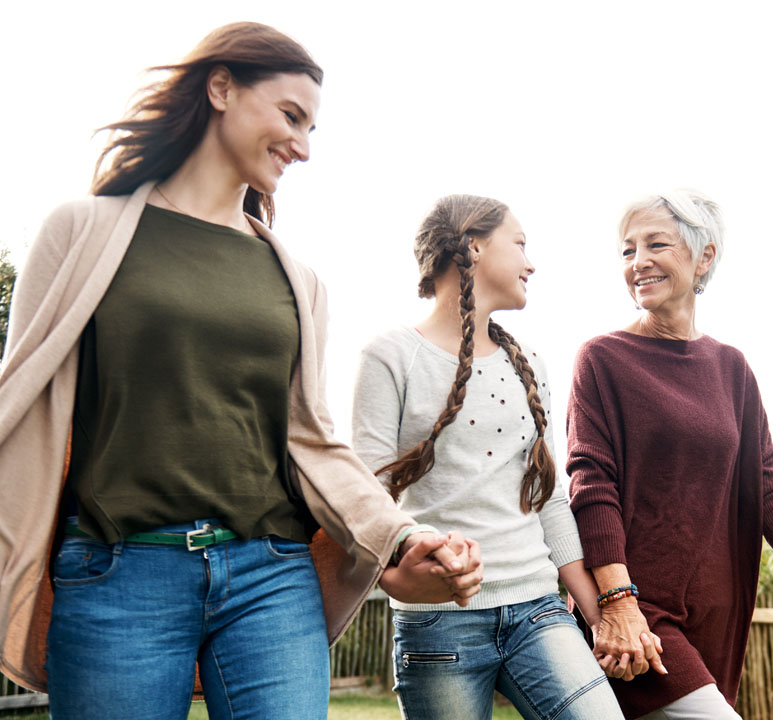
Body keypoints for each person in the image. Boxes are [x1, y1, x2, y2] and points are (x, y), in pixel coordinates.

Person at [0, 23, 481, 719]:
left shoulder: (296, 277)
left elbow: (313, 441)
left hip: (271, 578)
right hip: (118, 576)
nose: (304, 147)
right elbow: (21, 402)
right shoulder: (83, 232)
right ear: (220, 87)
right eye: (291, 116)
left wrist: (402, 535)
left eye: (313, 128)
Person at [567, 189, 773, 719]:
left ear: (705, 257)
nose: (639, 262)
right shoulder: (604, 360)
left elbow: (767, 481)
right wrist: (617, 603)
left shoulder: (732, 368)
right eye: (627, 250)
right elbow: (592, 486)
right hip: (640, 615)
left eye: (656, 244)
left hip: (717, 615)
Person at [351, 194, 624, 720]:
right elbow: (367, 500)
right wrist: (394, 574)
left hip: (538, 610)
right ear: (473, 246)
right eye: (519, 243)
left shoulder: (532, 365)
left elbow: (548, 503)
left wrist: (598, 615)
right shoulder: (390, 357)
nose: (531, 262)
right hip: (437, 621)